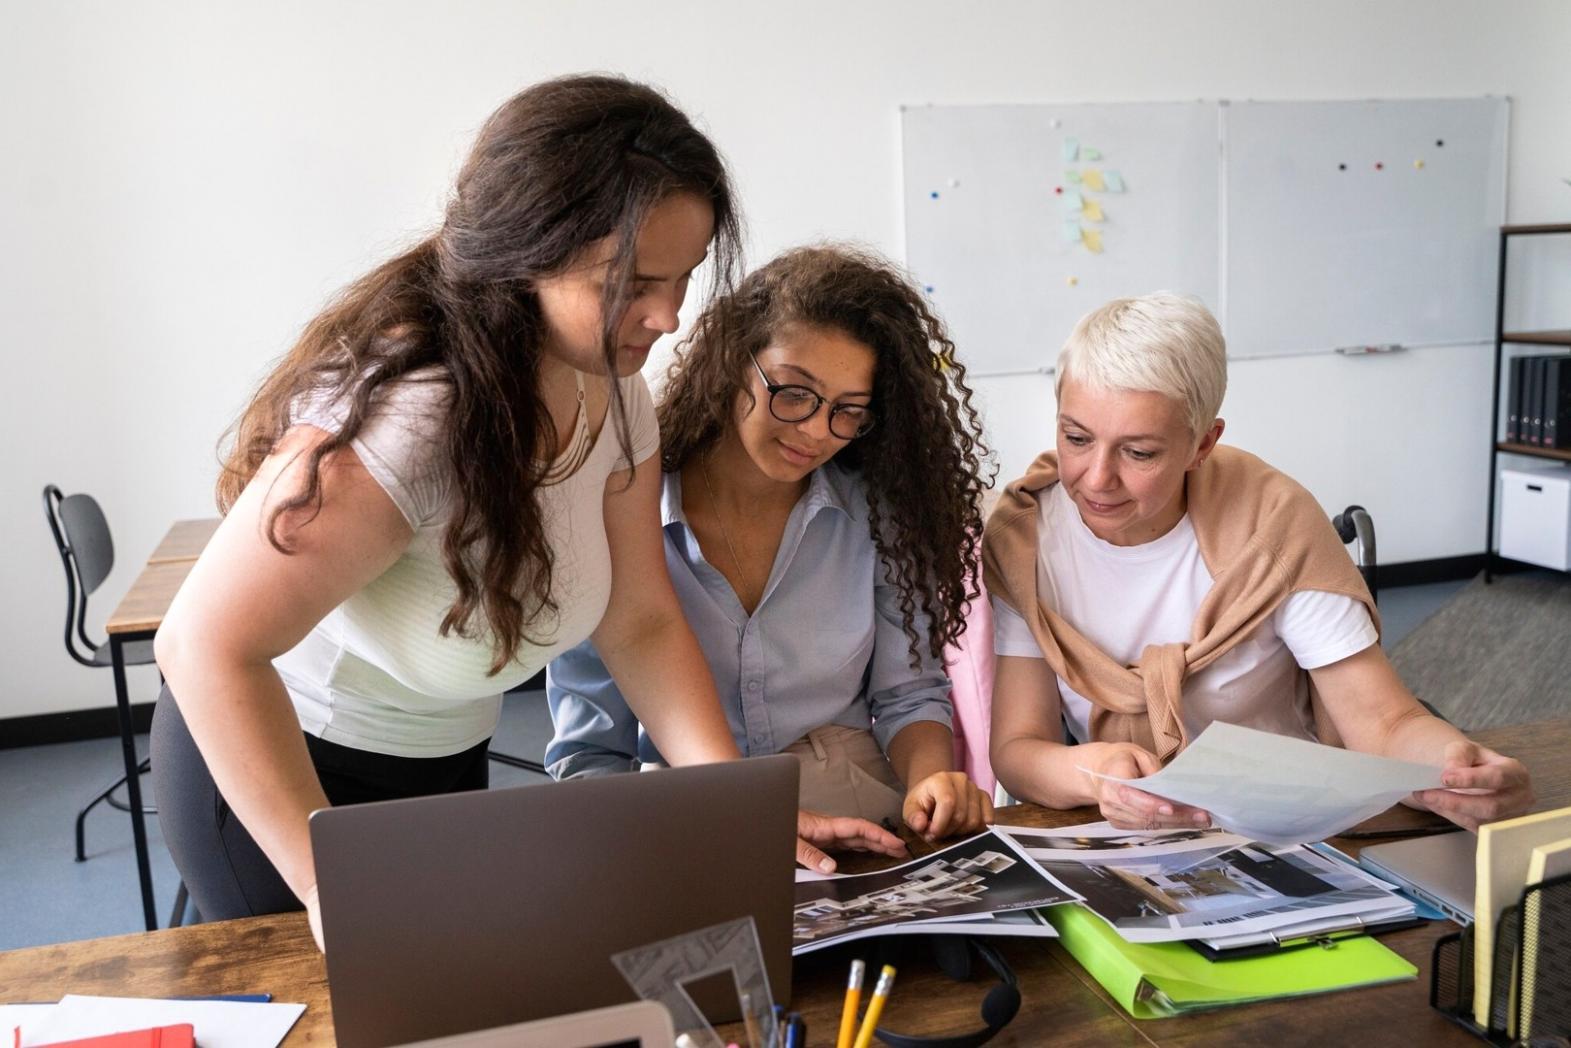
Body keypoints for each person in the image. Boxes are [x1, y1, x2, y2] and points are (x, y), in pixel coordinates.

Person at [151, 77, 905, 950]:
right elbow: (202, 645)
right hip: (281, 774)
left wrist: (736, 810)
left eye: (684, 277)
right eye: (634, 283)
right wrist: (325, 885)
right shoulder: (415, 418)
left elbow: (642, 621)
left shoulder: (616, 395)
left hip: (438, 757)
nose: (667, 316)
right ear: (529, 252)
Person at [985, 292, 1534, 832]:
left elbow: (1384, 722)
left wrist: (1458, 769)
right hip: (1126, 827)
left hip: (1291, 820)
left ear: (1203, 444)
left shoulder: (1272, 525)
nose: (1097, 478)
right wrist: (1096, 774)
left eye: (1140, 452)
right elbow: (1018, 747)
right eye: (1076, 437)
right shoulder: (1025, 538)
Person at [547, 246, 995, 840]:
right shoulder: (621, 517)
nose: (815, 430)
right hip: (686, 812)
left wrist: (930, 781)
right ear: (735, 361)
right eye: (794, 391)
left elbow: (910, 695)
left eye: (848, 411)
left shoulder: (877, 515)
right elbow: (589, 757)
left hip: (854, 800)